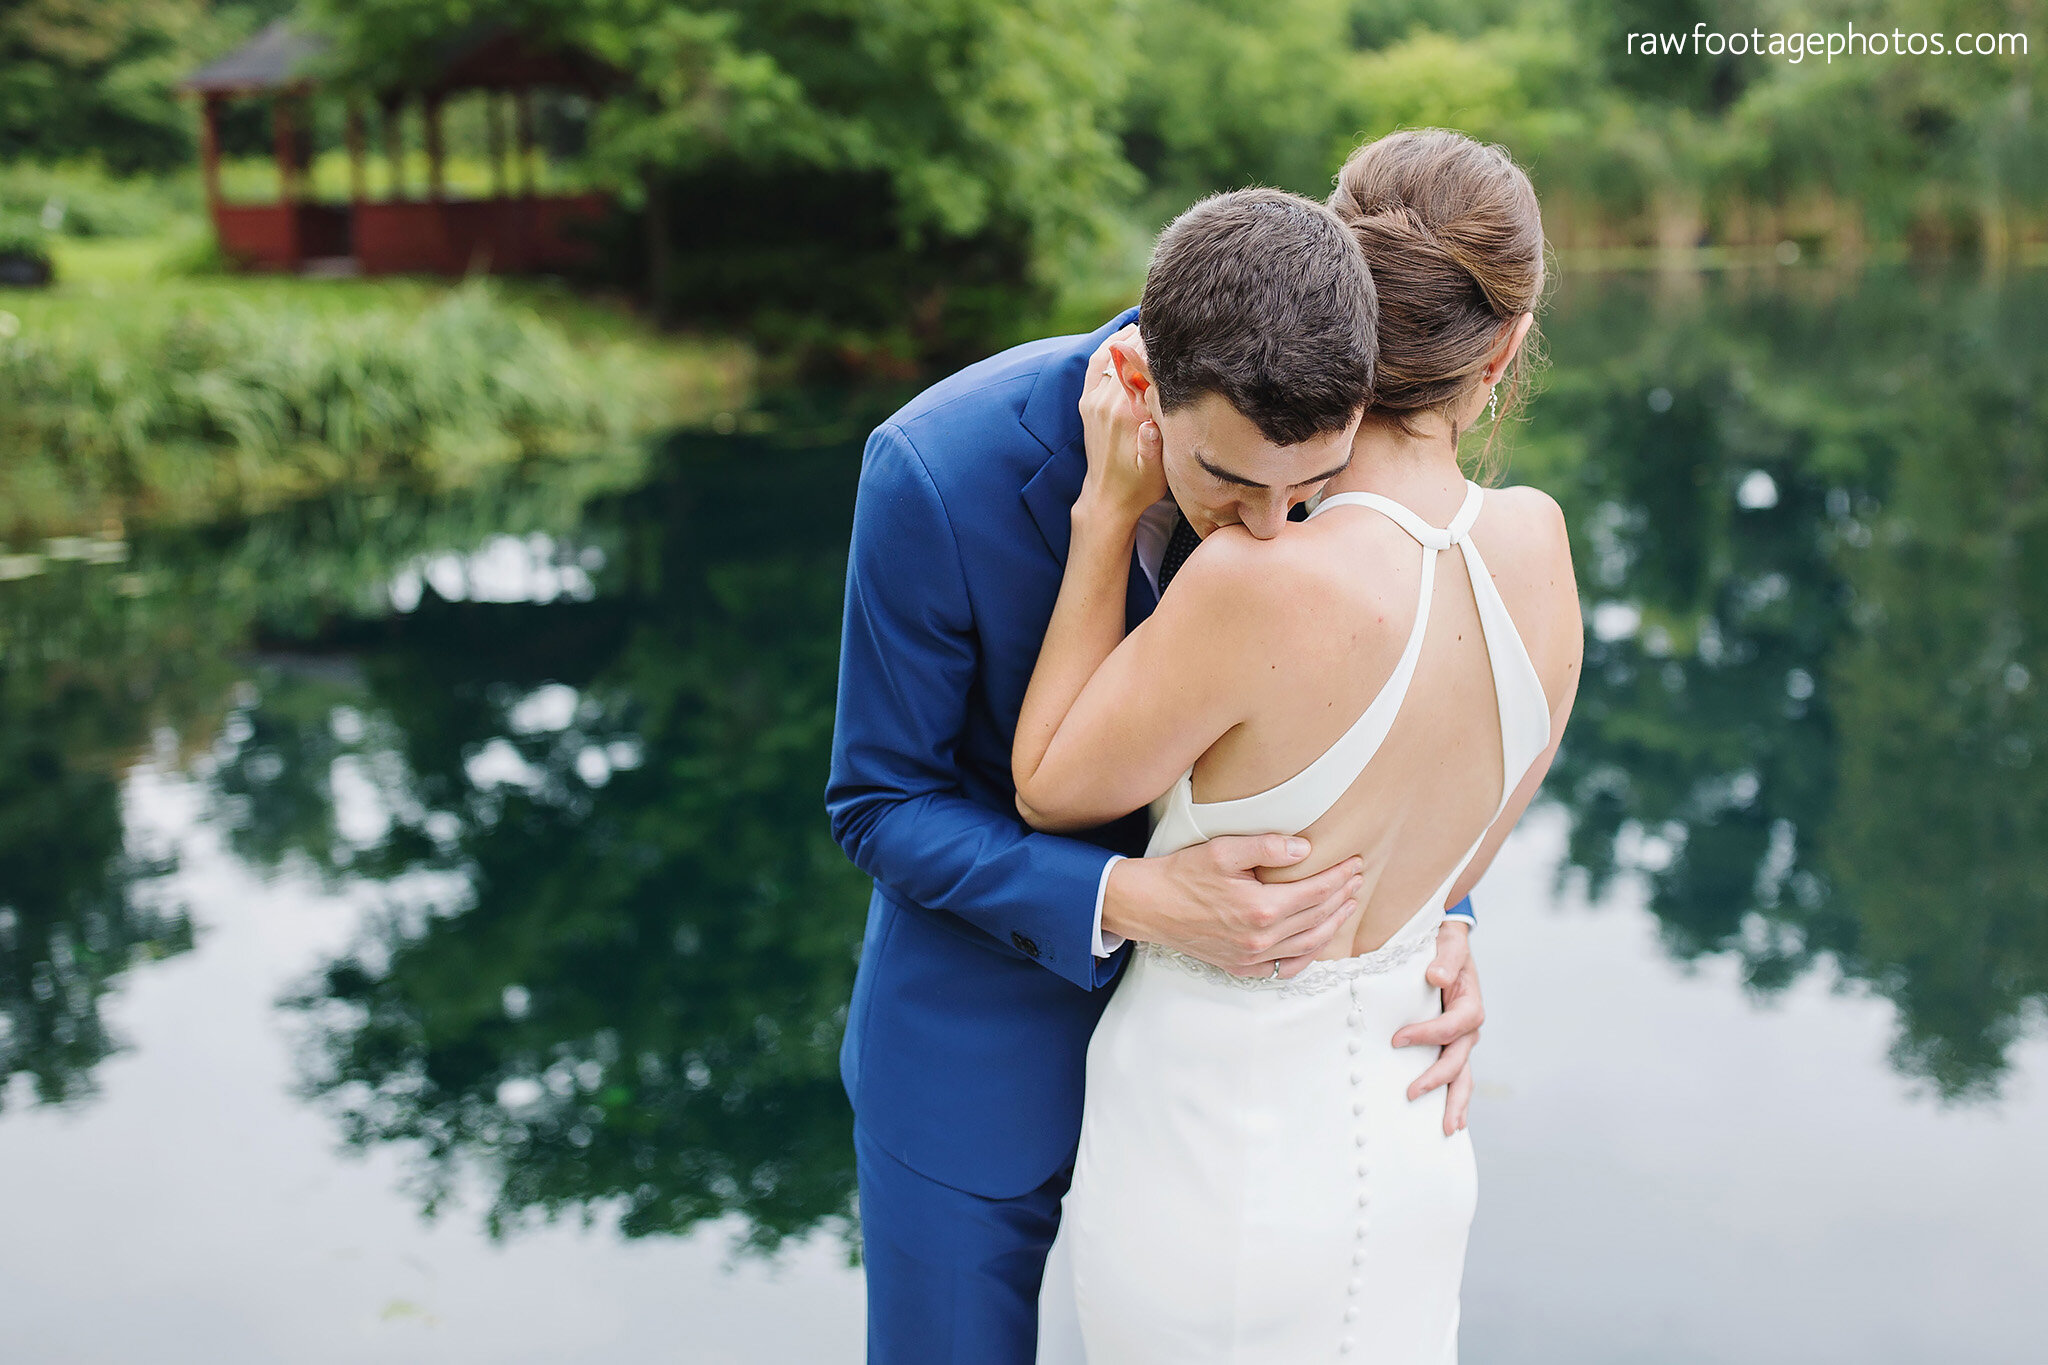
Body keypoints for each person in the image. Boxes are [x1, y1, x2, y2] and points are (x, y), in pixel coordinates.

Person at [826, 185, 1488, 1363]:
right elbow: (879, 804)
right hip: (974, 1054)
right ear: (1143, 390)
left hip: (1229, 1092)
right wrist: (1125, 899)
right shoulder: (931, 471)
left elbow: (1403, 682)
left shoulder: (1314, 417)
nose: (1276, 532)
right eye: (1229, 486)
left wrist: (1445, 916)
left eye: (1310, 490)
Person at [1018, 129, 1582, 1362]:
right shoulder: (1538, 549)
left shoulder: (1258, 580)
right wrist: (1442, 926)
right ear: (1500, 352)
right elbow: (1457, 862)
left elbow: (1050, 787)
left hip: (1209, 1153)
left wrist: (1104, 521)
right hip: (1412, 1126)